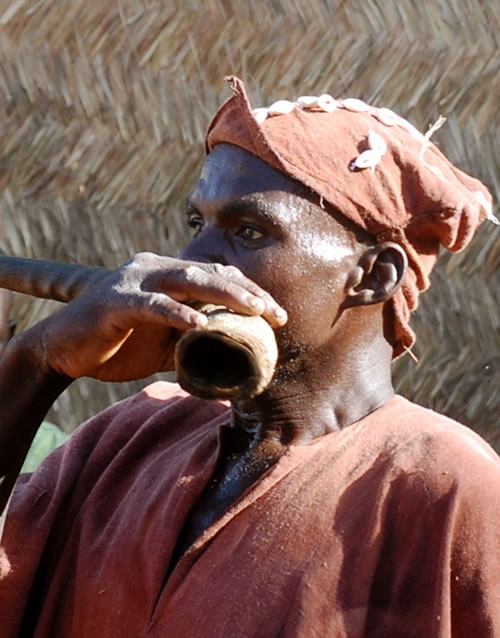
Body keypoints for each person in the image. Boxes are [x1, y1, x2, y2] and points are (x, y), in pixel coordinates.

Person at [0, 77, 498, 637]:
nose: (196, 260)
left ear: (373, 276)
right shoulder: (133, 435)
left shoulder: (444, 486)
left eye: (249, 231)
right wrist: (39, 363)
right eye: (197, 224)